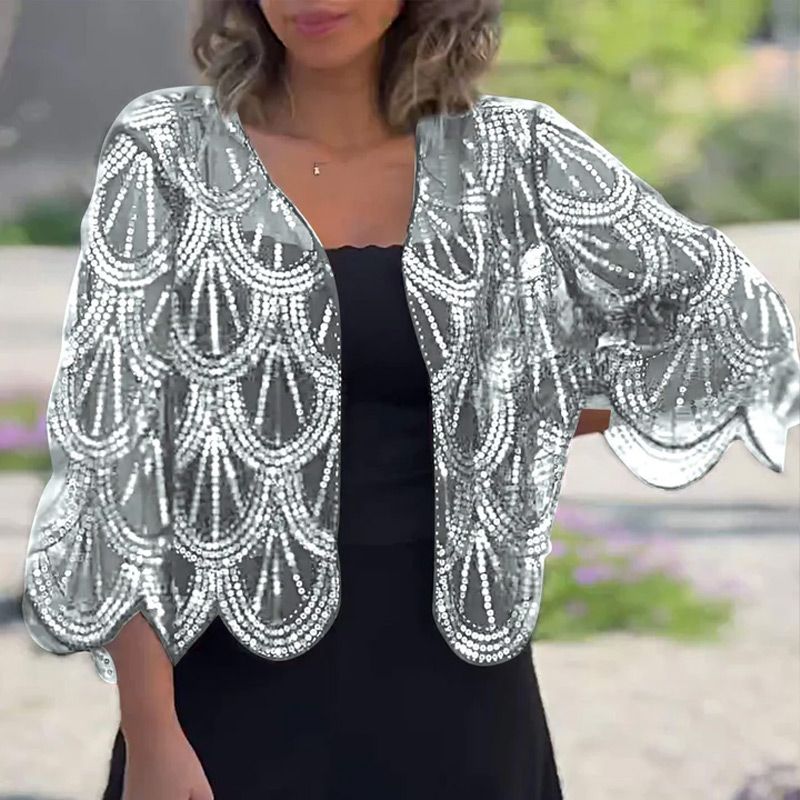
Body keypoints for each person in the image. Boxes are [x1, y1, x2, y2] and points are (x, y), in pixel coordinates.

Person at [19, 1, 800, 799]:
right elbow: (113, 455)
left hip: (460, 701)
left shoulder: (514, 154)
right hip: (226, 700)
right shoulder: (169, 151)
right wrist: (152, 732)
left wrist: (523, 410)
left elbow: (733, 322)